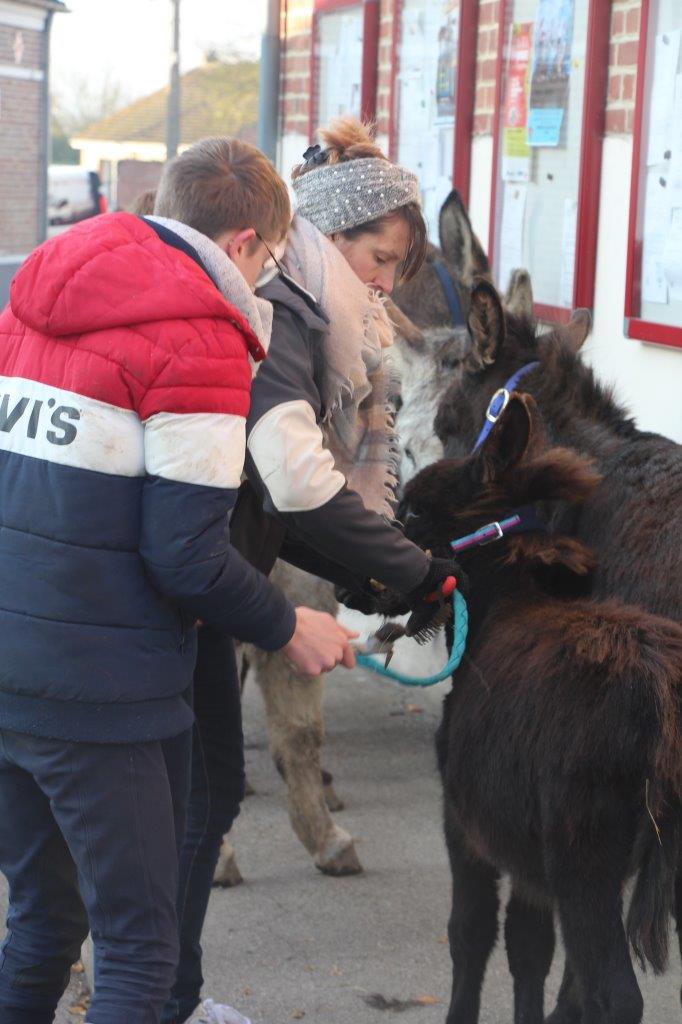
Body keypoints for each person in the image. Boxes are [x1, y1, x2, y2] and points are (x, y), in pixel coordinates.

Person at [0, 136, 357, 1024]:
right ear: (242, 245)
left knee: (44, 917)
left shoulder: (33, 296)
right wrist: (288, 625)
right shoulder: (200, 332)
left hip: (11, 667)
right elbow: (185, 554)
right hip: (101, 693)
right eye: (273, 259)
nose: (270, 279)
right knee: (137, 944)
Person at [171, 119, 465, 1024]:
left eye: (396, 268)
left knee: (210, 788)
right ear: (329, 238)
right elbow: (298, 486)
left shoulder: (304, 314)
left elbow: (267, 499)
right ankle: (153, 995)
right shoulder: (290, 318)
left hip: (207, 583)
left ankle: (171, 993)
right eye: (378, 259)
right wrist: (420, 575)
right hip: (173, 596)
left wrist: (368, 576)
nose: (383, 284)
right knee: (156, 821)